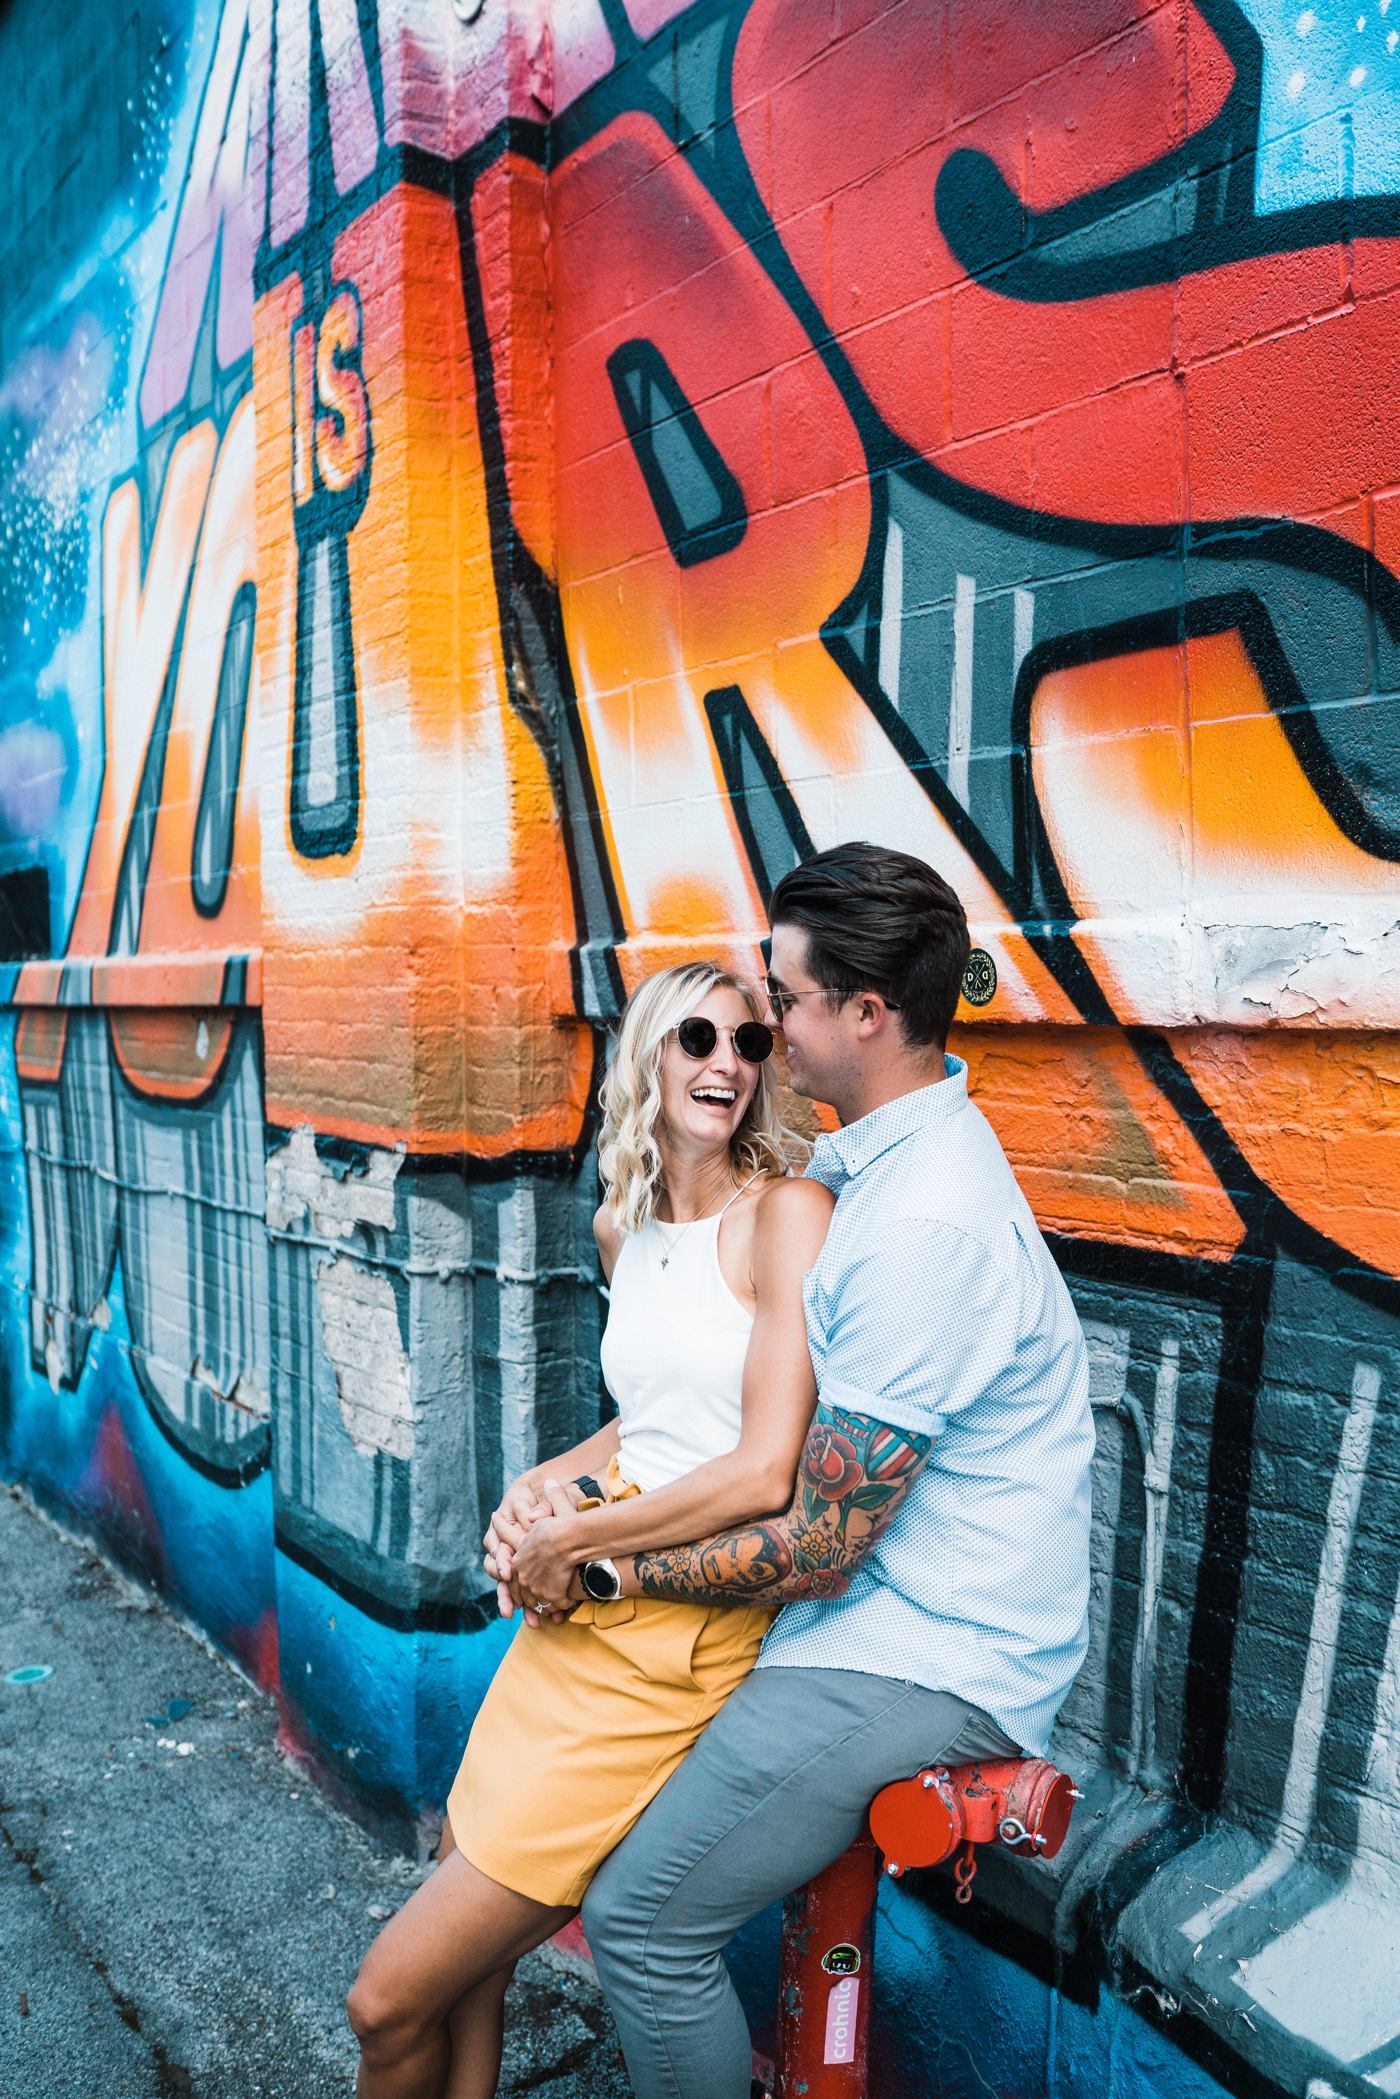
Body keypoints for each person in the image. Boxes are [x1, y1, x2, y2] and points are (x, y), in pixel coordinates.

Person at [554, 841, 1096, 2099]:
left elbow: (815, 1544)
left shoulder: (920, 1228)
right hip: (863, 1625)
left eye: (783, 1000)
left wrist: (601, 1567)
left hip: (925, 1654)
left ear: (862, 1010)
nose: (762, 1031)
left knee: (639, 1920)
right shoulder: (871, 1165)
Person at [346, 961, 835, 2099]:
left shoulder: (784, 1216)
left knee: (386, 1999)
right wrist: (544, 1482)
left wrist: (577, 1542)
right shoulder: (628, 1225)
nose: (726, 1060)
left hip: (670, 1636)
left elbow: (763, 1467)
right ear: (649, 1055)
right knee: (470, 1979)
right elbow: (647, 1422)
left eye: (750, 1043)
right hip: (576, 1625)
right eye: (698, 1036)